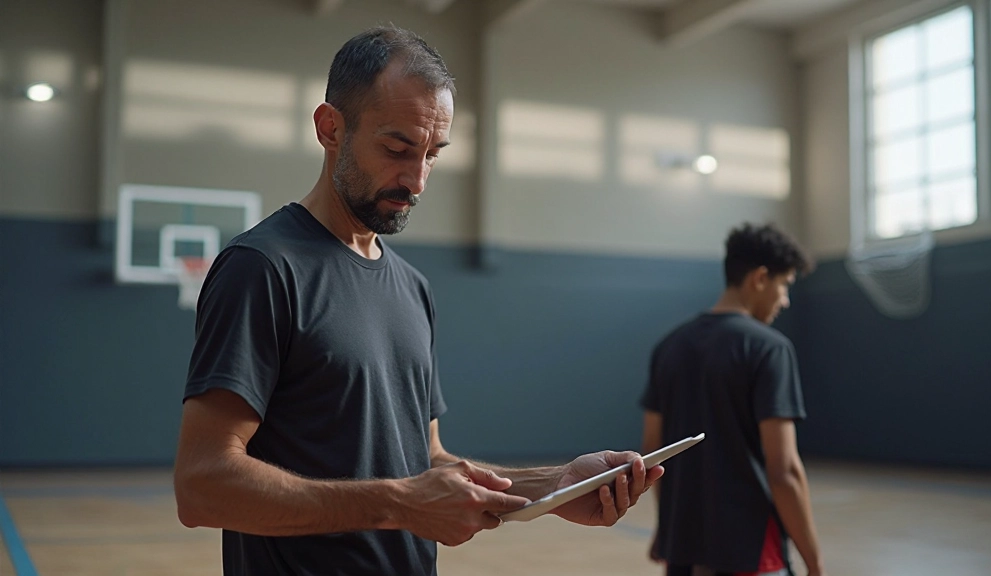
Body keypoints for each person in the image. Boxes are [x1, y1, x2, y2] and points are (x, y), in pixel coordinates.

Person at [172, 26, 663, 576]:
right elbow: (202, 485)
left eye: (433, 153)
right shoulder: (262, 268)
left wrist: (552, 485)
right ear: (330, 127)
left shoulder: (411, 286)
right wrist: (399, 503)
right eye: (397, 149)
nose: (418, 179)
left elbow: (426, 461)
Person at [641, 223, 826, 576]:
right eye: (784, 285)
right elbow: (784, 471)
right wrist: (815, 564)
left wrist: (668, 530)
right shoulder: (769, 349)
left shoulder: (669, 347)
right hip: (750, 549)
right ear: (759, 278)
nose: (785, 300)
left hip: (681, 551)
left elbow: (653, 451)